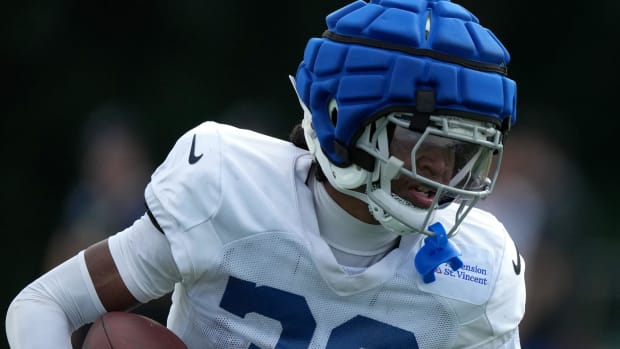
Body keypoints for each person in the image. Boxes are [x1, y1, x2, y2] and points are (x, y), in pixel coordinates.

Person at [6, 0, 526, 348]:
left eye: (460, 150)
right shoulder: (227, 186)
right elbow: (46, 303)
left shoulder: (480, 268)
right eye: (422, 141)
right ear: (342, 119)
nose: (441, 169)